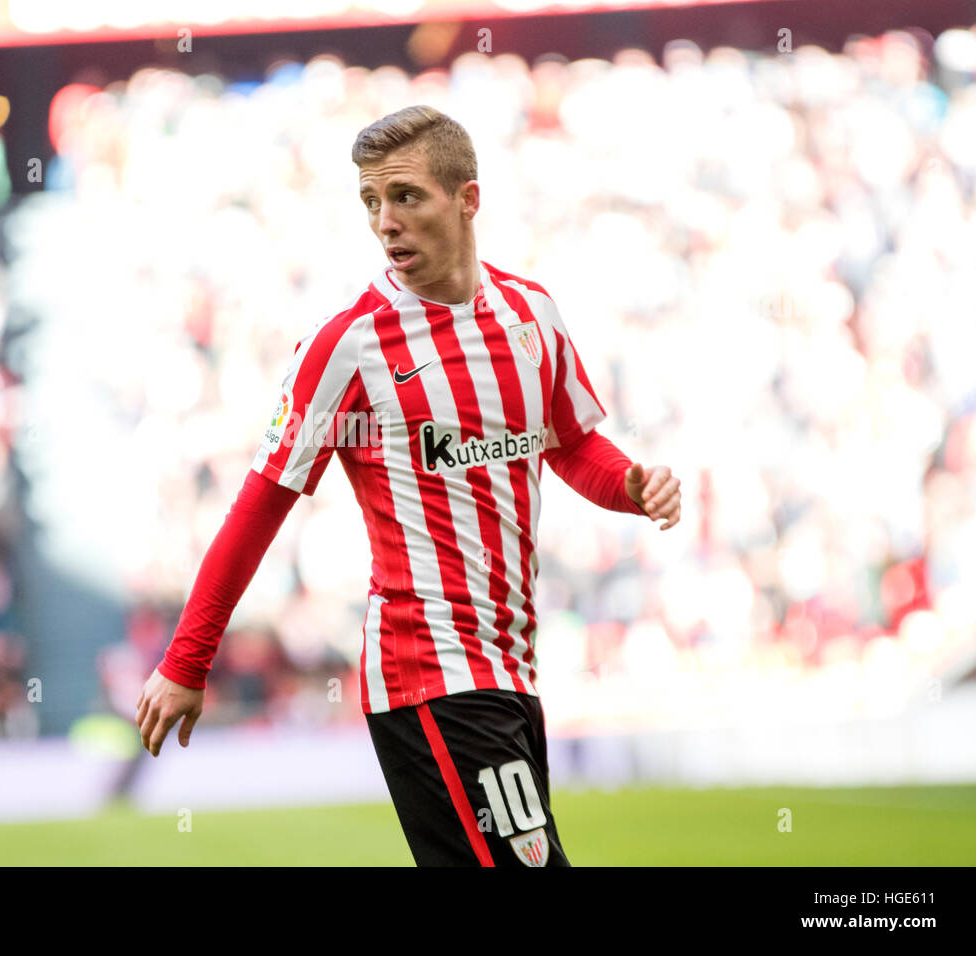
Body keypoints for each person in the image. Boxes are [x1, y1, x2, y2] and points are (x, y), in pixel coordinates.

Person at [135, 105, 681, 867]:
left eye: (405, 196)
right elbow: (261, 502)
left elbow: (573, 443)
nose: (384, 221)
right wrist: (187, 662)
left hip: (512, 670)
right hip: (430, 672)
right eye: (370, 202)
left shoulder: (532, 316)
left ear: (469, 198)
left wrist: (632, 484)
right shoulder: (349, 346)